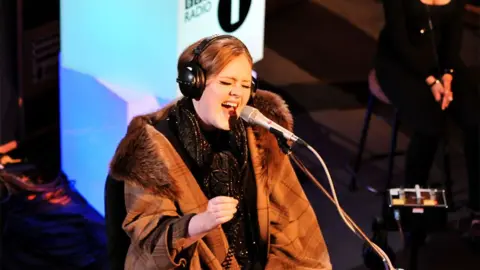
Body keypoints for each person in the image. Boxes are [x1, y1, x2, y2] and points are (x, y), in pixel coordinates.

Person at [107, 34, 332, 269]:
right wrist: (200, 223)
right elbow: (149, 243)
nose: (237, 92)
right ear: (193, 83)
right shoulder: (152, 151)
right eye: (226, 83)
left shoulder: (258, 136)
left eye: (245, 85)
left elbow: (291, 224)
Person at [374, 0, 480, 234]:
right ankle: (413, 202)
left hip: (440, 60)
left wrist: (448, 77)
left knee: (475, 119)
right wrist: (431, 80)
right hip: (401, 63)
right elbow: (399, 41)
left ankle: (477, 210)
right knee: (430, 125)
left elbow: (452, 41)